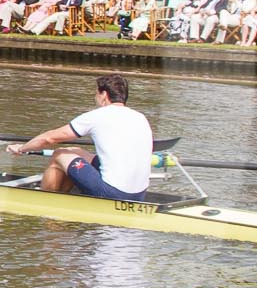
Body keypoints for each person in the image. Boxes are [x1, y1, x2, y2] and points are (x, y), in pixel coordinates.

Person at [8, 74, 154, 201]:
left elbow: (50, 139)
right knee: (75, 151)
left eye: (96, 94)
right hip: (139, 194)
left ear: (103, 95)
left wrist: (21, 148)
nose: (94, 97)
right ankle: (64, 193)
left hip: (113, 193)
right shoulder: (140, 117)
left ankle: (46, 201)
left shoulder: (97, 116)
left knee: (60, 154)